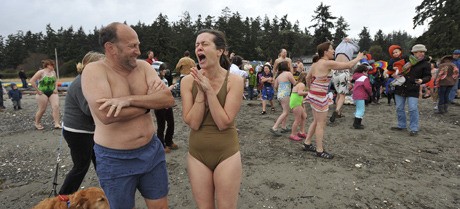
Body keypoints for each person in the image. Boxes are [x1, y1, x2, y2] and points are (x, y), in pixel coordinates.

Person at [81, 22, 174, 209]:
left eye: (138, 45)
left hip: (152, 152)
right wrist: (148, 101)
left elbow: (167, 99)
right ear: (111, 48)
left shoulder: (144, 68)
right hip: (115, 159)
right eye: (132, 46)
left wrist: (129, 100)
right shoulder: (94, 71)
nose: (138, 51)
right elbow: (106, 115)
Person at [181, 29, 244, 209]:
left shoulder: (234, 81)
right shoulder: (187, 81)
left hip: (227, 152)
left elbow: (224, 122)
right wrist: (200, 92)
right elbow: (193, 122)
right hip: (197, 154)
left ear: (220, 51)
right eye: (196, 45)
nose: (199, 47)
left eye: (204, 44)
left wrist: (209, 90)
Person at [302, 42, 364, 159]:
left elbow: (307, 77)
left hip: (314, 94)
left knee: (316, 121)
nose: (334, 51)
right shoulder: (327, 63)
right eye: (331, 49)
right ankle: (319, 150)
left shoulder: (315, 64)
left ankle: (307, 143)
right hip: (320, 96)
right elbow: (349, 65)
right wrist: (359, 58)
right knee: (321, 123)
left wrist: (310, 89)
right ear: (325, 52)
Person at [59, 51, 104, 195]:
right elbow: (88, 109)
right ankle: (63, 196)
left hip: (88, 131)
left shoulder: (91, 80)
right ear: (90, 66)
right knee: (81, 166)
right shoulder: (81, 82)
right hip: (77, 132)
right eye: (101, 64)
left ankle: (109, 190)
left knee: (101, 162)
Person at [390, 44, 431, 136]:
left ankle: (414, 128)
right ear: (414, 52)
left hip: (413, 88)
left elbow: (428, 76)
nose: (421, 53)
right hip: (400, 87)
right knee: (399, 108)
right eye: (419, 52)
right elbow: (392, 66)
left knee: (413, 108)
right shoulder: (404, 60)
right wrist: (394, 71)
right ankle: (401, 125)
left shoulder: (425, 64)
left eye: (423, 52)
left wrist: (422, 80)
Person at [330, 37, 360, 123]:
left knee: (338, 93)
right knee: (342, 95)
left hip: (335, 71)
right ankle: (337, 110)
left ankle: (339, 112)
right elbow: (358, 48)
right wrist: (351, 41)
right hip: (344, 71)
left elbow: (343, 41)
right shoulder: (351, 47)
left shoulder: (338, 48)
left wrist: (344, 40)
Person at [29, 59, 61, 130]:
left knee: (56, 106)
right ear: (47, 65)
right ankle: (37, 123)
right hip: (42, 93)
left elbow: (55, 81)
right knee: (42, 109)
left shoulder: (53, 72)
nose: (53, 66)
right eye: (52, 65)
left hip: (52, 92)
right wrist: (37, 90)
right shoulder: (41, 72)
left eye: (53, 65)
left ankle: (57, 123)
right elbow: (32, 81)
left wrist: (56, 88)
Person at [154, 63, 178, 153]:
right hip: (159, 106)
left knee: (171, 123)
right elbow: (162, 93)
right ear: (158, 71)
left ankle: (169, 141)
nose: (164, 71)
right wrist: (171, 87)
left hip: (167, 105)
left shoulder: (164, 79)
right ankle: (161, 145)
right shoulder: (155, 82)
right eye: (162, 69)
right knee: (161, 126)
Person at [270, 61, 296, 136]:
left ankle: (284, 127)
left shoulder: (279, 76)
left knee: (285, 111)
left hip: (280, 95)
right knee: (285, 112)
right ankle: (274, 127)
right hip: (286, 94)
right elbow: (294, 83)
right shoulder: (288, 74)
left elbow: (275, 87)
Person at [351, 65, 372, 129]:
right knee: (361, 110)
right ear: (363, 71)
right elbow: (367, 87)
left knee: (358, 109)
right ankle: (356, 124)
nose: (367, 73)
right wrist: (370, 94)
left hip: (356, 95)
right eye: (366, 72)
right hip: (361, 95)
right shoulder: (364, 78)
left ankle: (357, 123)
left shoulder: (357, 77)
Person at [289, 72, 308, 141]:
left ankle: (301, 132)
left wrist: (303, 106)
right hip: (296, 102)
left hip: (296, 101)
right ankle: (293, 134)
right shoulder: (302, 84)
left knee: (304, 117)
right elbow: (300, 93)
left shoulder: (297, 84)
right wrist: (309, 93)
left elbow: (300, 96)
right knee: (297, 119)